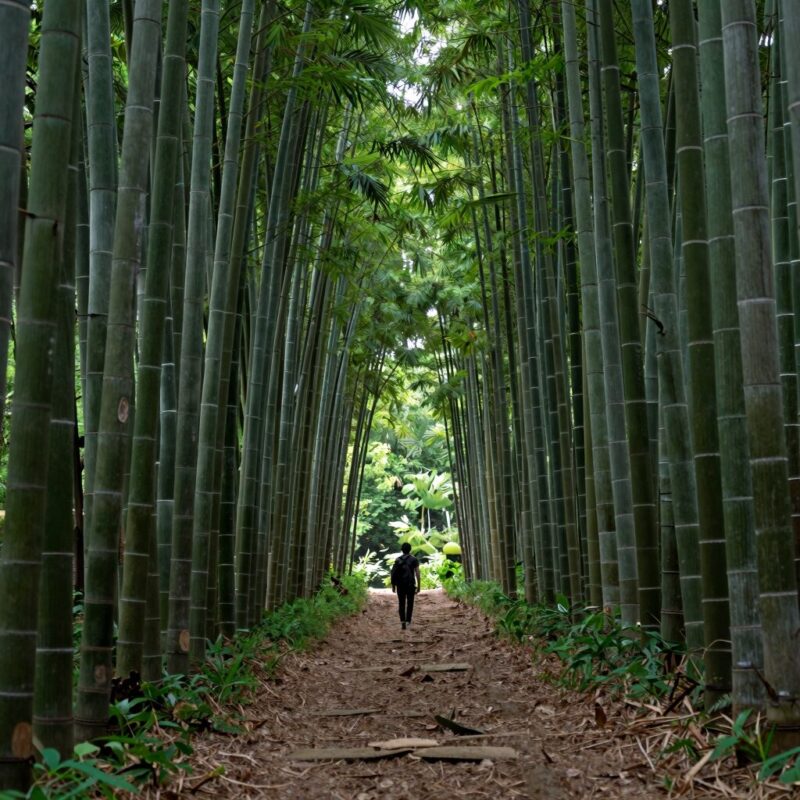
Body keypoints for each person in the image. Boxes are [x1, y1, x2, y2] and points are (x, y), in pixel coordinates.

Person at [391, 542, 420, 630]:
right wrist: (419, 586)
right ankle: (408, 620)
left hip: (400, 584)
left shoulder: (397, 559)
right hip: (410, 584)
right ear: (410, 549)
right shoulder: (414, 559)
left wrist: (393, 586)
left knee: (401, 603)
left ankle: (402, 621)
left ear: (402, 550)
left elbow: (393, 573)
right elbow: (417, 573)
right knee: (410, 603)